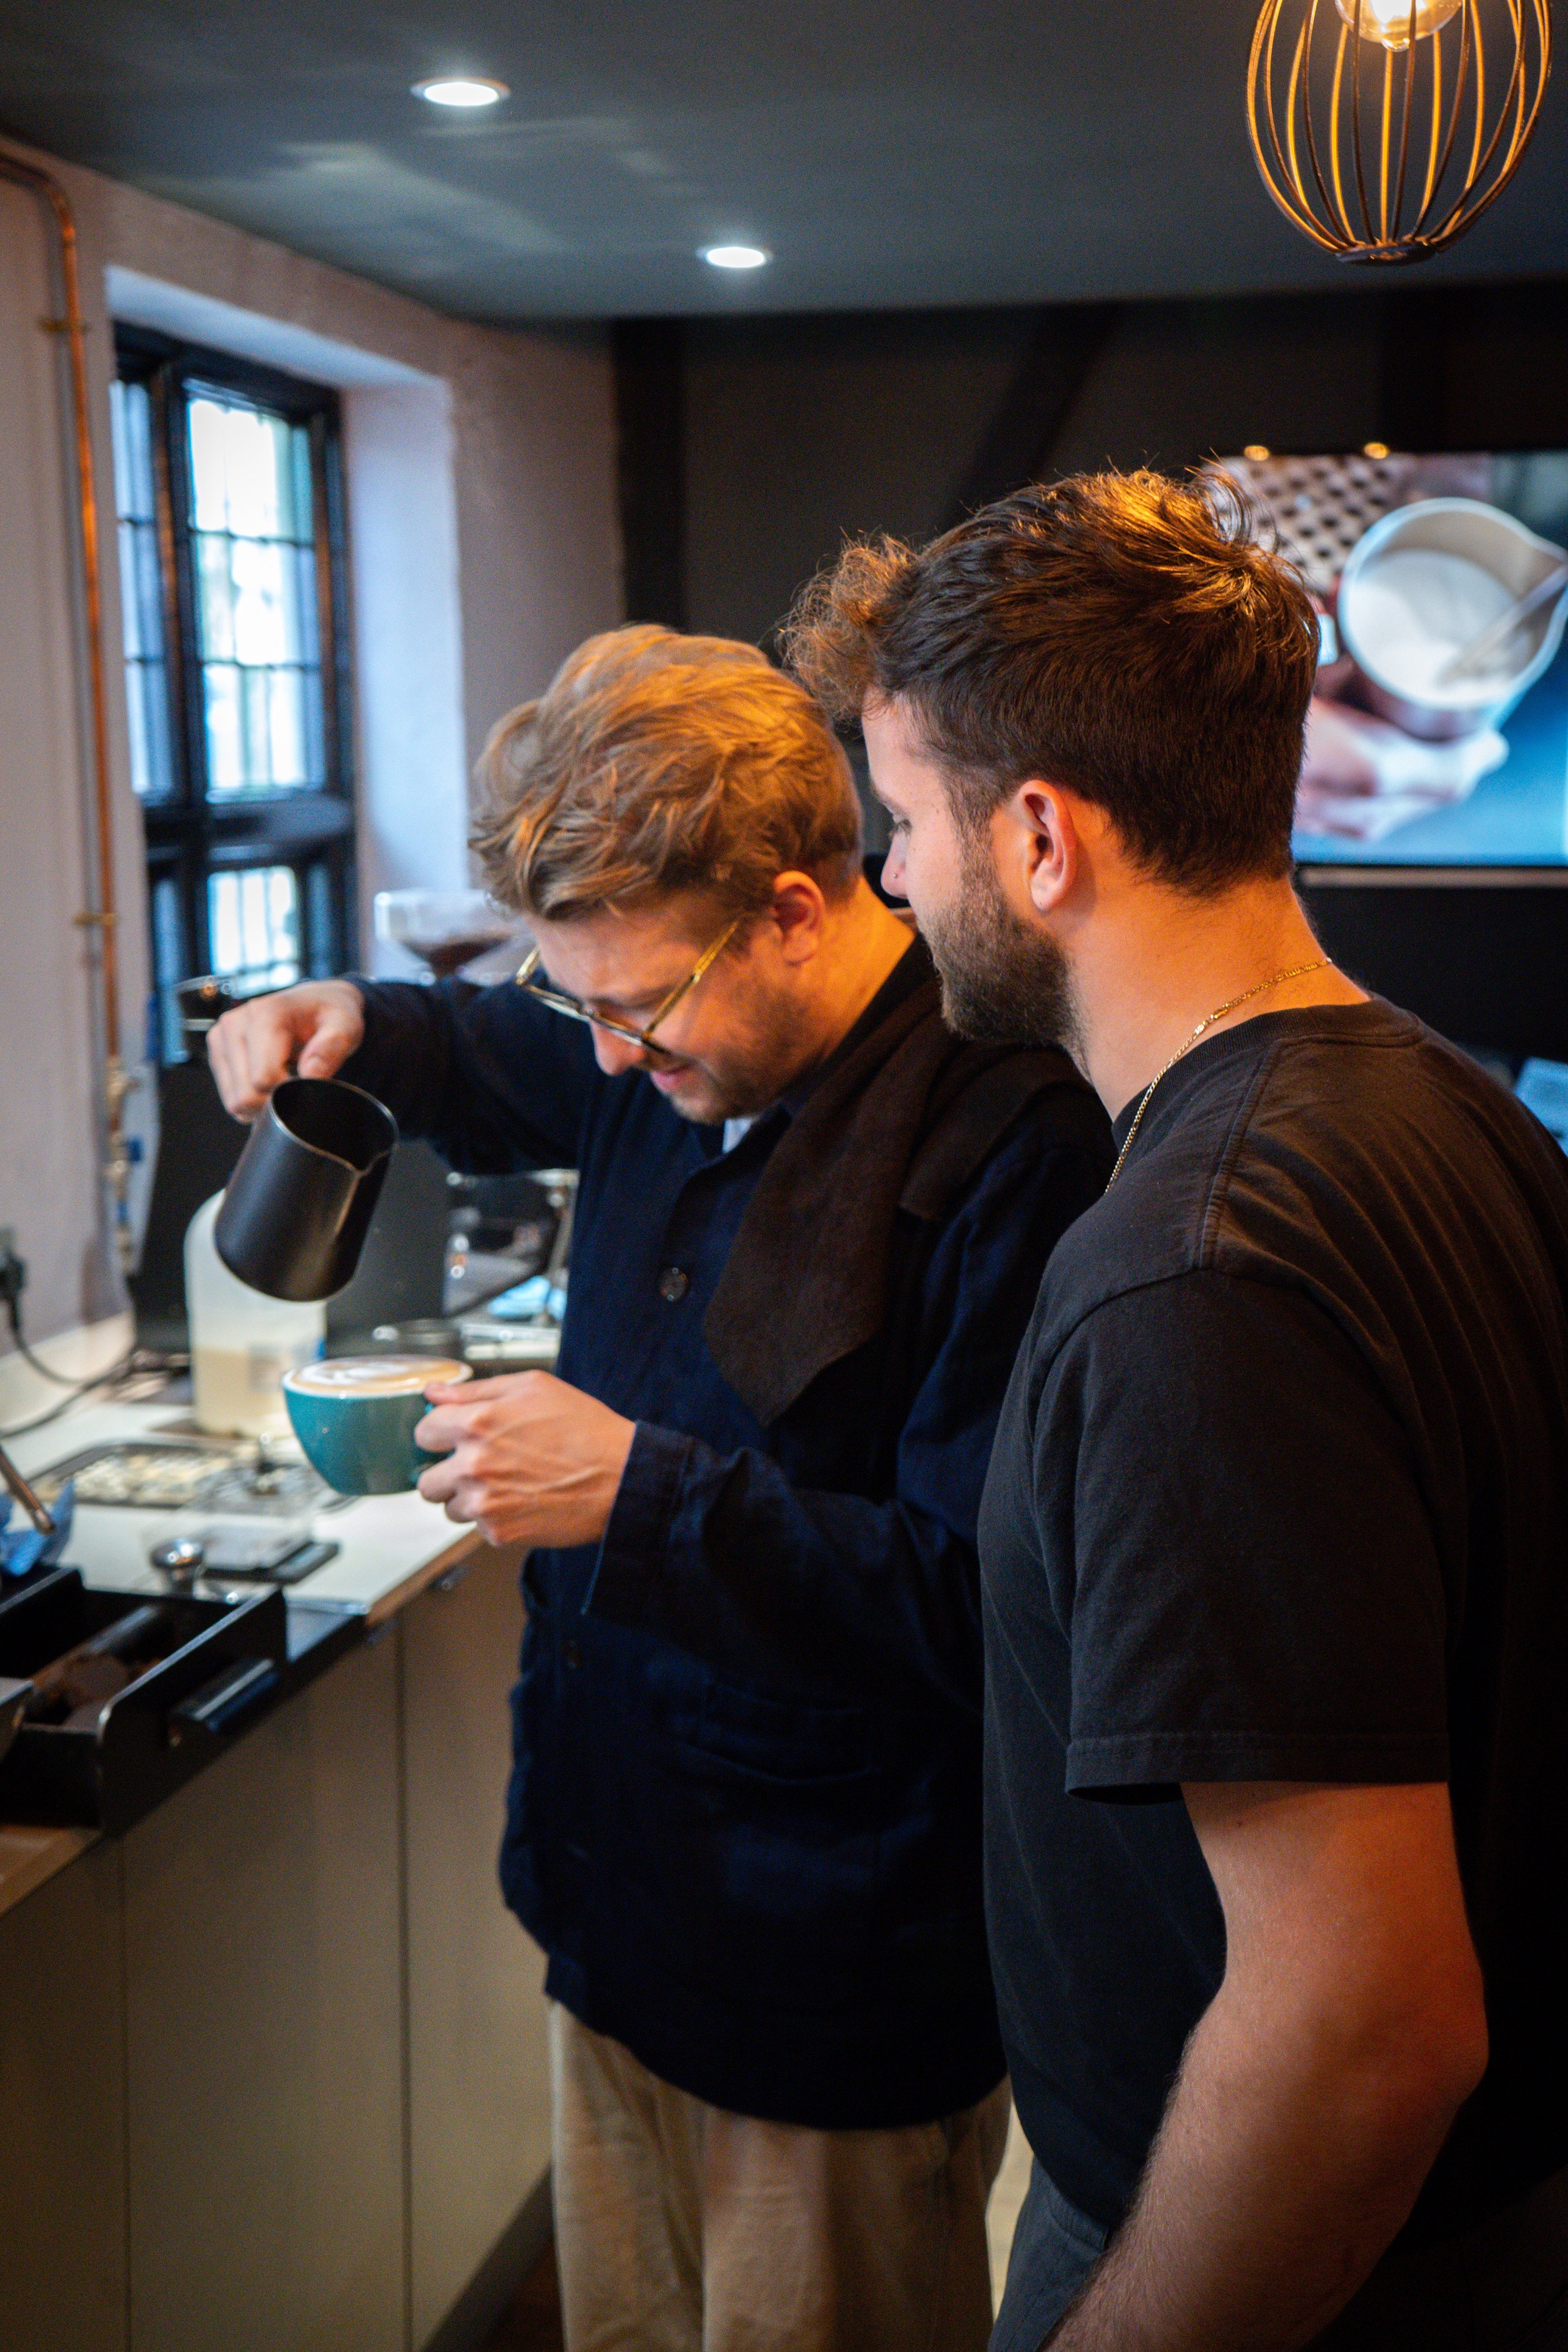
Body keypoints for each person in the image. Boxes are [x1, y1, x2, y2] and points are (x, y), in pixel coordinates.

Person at [207, 625, 1113, 2352]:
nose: (608, 1058)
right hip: (614, 1913)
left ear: (794, 902)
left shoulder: (1013, 1135)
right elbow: (495, 1055)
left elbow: (987, 1608)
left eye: (636, 1005)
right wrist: (359, 1021)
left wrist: (642, 1493)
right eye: (582, 1002)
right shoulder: (664, 1037)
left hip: (831, 1995)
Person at [785, 473, 1568, 2352]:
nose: (893, 877)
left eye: (904, 822)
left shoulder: (1184, 1276)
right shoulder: (1455, 1108)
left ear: (1040, 835)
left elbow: (1360, 2031)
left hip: (1295, 2253)